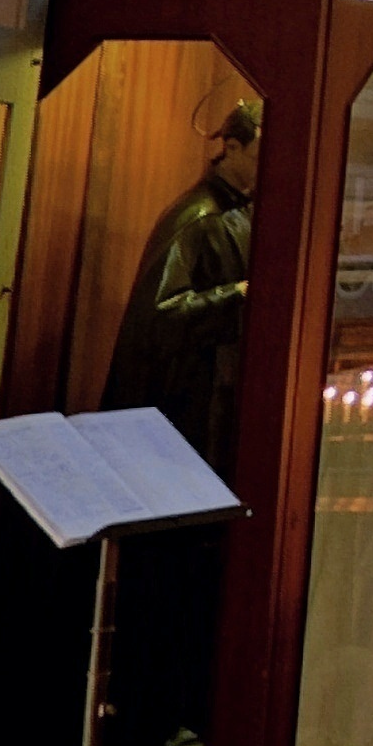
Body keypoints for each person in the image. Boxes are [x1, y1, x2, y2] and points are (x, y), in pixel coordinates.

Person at [102, 100, 263, 473]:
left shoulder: (246, 209)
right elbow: (158, 315)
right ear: (232, 147)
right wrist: (238, 295)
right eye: (258, 156)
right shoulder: (195, 217)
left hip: (222, 387)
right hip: (186, 395)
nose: (265, 168)